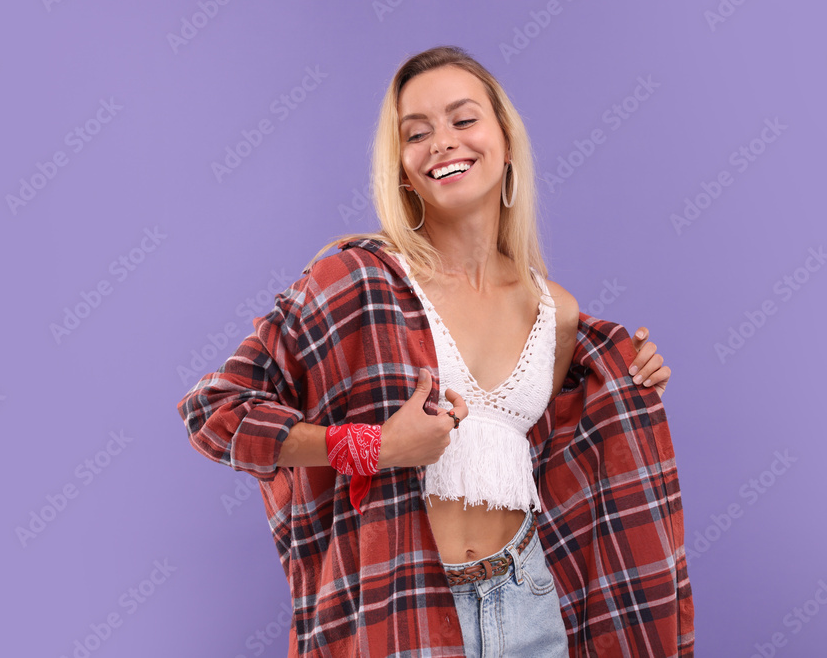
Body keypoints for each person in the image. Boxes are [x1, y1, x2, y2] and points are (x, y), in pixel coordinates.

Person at [178, 45, 693, 657]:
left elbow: (559, 461)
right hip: (404, 608)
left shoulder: (557, 311)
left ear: (504, 139)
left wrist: (629, 384)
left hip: (529, 599)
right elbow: (214, 411)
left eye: (463, 120)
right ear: (400, 166)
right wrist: (372, 447)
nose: (443, 142)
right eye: (416, 133)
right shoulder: (357, 282)